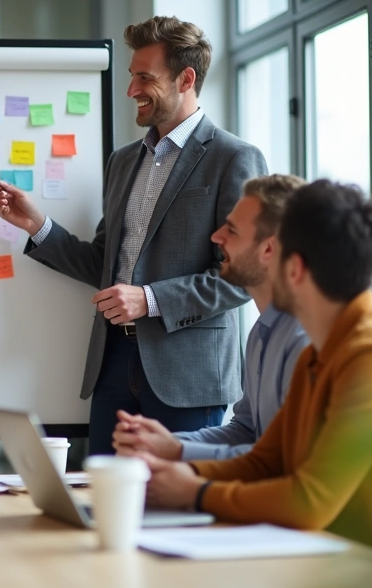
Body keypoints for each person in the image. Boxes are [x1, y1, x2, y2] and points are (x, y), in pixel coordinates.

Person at [131, 181, 372, 568]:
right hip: (335, 557)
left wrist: (196, 492)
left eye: (277, 253)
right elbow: (267, 461)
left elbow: (311, 501)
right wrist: (172, 475)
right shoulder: (322, 352)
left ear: (295, 269)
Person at [0, 16, 267, 454]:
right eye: (131, 76)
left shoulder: (234, 158)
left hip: (187, 375)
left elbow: (243, 276)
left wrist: (150, 299)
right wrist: (36, 225)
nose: (131, 90)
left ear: (186, 78)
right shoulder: (122, 162)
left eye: (144, 77)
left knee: (174, 511)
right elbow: (105, 264)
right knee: (104, 500)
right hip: (113, 365)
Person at [112, 175, 309, 460]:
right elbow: (244, 430)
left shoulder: (306, 343)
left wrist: (176, 452)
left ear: (269, 249)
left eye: (232, 230)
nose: (216, 237)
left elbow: (285, 459)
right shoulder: (263, 331)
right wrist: (162, 442)